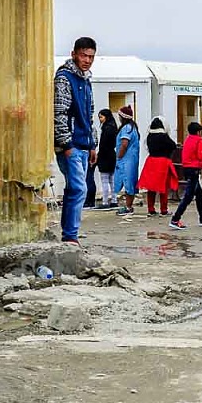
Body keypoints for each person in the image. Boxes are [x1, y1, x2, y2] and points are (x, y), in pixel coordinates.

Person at [53, 37, 98, 247]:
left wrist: (92, 144)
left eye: (91, 56)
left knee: (75, 189)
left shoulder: (86, 80)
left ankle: (70, 234)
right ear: (74, 54)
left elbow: (89, 116)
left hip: (83, 145)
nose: (87, 60)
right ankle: (70, 236)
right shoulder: (64, 78)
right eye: (84, 55)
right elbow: (59, 113)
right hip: (70, 146)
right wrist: (66, 144)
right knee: (79, 189)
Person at [169, 122, 202, 229]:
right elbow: (200, 155)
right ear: (198, 132)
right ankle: (175, 219)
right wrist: (200, 167)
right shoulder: (199, 141)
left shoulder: (188, 140)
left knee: (199, 195)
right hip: (194, 169)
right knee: (188, 196)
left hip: (186, 169)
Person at [138, 116, 178, 217]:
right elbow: (173, 146)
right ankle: (163, 210)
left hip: (151, 162)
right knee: (163, 187)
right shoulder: (164, 136)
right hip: (163, 162)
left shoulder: (149, 137)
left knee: (151, 187)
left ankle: (151, 209)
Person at [113, 105, 140, 216]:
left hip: (126, 160)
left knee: (128, 182)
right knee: (130, 182)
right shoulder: (132, 127)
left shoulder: (126, 128)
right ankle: (129, 205)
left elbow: (124, 144)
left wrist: (119, 156)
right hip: (131, 159)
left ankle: (128, 207)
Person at [96, 109, 118, 209]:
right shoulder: (113, 127)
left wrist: (99, 155)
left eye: (101, 117)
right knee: (112, 180)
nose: (100, 119)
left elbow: (103, 145)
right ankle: (114, 200)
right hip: (112, 155)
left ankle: (105, 201)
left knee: (104, 180)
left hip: (104, 156)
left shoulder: (106, 129)